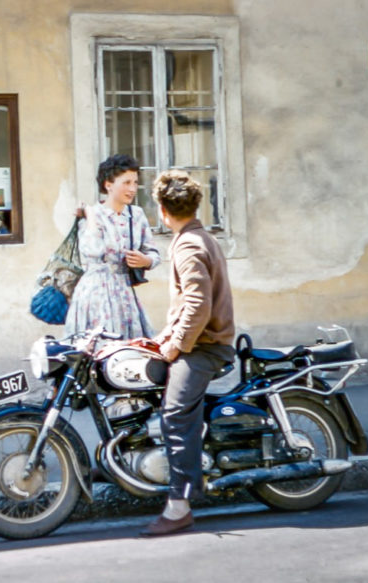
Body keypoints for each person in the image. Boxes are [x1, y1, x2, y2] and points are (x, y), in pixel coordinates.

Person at [141, 170, 235, 537]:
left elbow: (197, 304)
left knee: (176, 415)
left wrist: (176, 344)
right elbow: (186, 306)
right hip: (201, 341)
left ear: (162, 210)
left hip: (205, 348)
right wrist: (160, 338)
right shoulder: (197, 237)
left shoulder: (189, 245)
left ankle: (179, 506)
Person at [64, 154, 160, 339]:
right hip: (94, 293)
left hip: (125, 293)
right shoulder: (91, 215)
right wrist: (90, 216)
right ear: (108, 184)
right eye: (126, 183)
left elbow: (154, 253)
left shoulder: (136, 215)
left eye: (135, 182)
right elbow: (92, 251)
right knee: (97, 350)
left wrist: (145, 260)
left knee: (128, 355)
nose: (132, 188)